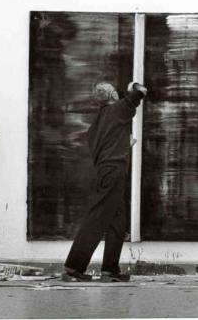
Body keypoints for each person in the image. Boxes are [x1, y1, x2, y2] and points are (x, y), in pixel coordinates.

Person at [62, 81, 147, 282]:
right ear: (112, 96)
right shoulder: (117, 110)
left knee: (117, 222)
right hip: (114, 172)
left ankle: (110, 270)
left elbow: (104, 147)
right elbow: (140, 92)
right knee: (97, 219)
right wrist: (132, 85)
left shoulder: (96, 124)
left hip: (104, 171)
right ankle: (73, 267)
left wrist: (123, 146)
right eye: (116, 93)